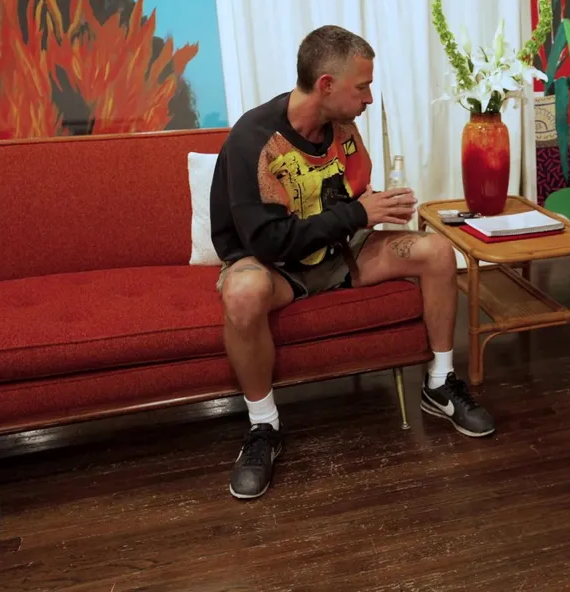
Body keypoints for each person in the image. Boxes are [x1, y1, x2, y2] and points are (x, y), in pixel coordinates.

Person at [210, 25, 494, 500]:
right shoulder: (253, 141)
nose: (368, 98)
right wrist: (359, 213)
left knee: (437, 251)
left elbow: (352, 196)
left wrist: (376, 207)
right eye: (362, 86)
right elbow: (268, 243)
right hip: (274, 267)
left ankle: (440, 383)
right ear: (326, 85)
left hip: (338, 252)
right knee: (242, 293)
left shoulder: (341, 127)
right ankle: (264, 427)